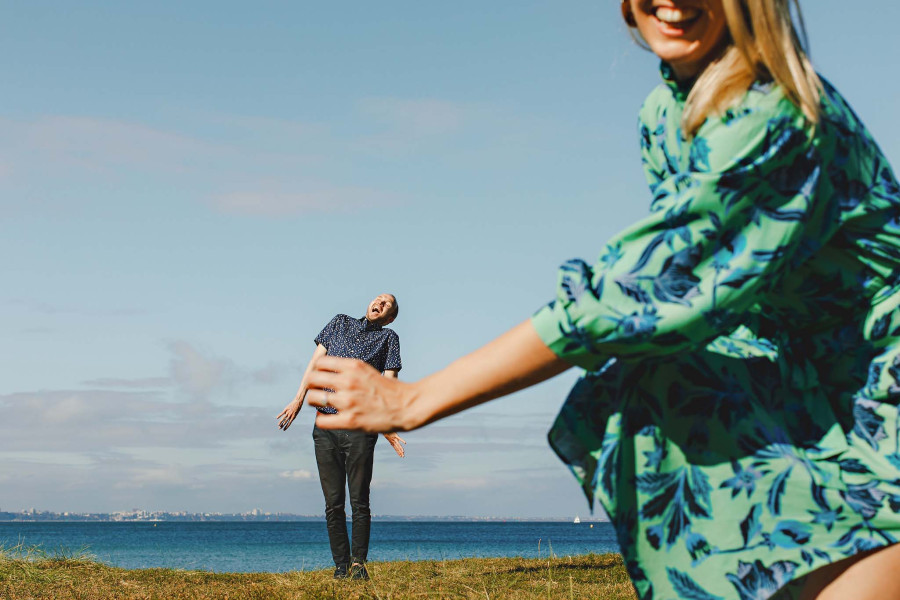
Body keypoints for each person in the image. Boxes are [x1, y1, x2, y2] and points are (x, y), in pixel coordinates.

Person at [299, 2, 900, 599]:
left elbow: (635, 295)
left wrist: (416, 400)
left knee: (659, 381)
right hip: (796, 392)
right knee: (655, 385)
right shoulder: (667, 112)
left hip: (871, 404)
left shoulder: (769, 115)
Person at [277, 293, 406, 581]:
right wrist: (298, 400)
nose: (380, 304)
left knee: (359, 500)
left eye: (388, 305)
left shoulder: (389, 339)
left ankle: (359, 564)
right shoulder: (339, 323)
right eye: (379, 299)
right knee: (333, 502)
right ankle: (340, 565)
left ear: (390, 317)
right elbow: (314, 365)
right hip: (324, 426)